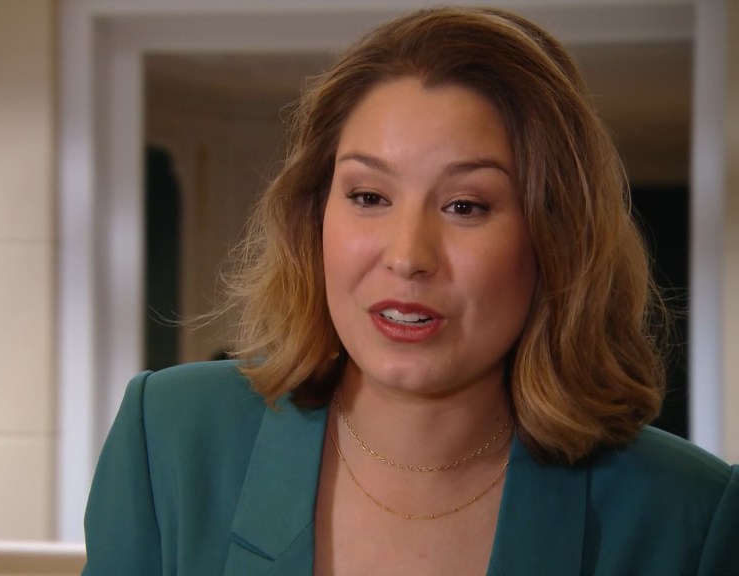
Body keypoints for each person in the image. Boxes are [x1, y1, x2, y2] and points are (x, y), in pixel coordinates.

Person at [82, 7, 739, 575]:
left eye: (465, 206)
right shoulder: (169, 439)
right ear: (315, 216)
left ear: (554, 237)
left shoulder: (687, 516)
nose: (407, 257)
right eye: (369, 196)